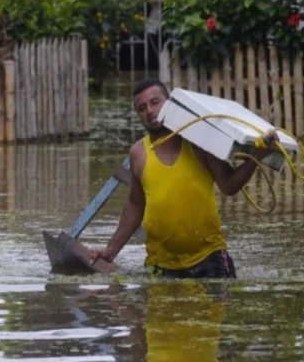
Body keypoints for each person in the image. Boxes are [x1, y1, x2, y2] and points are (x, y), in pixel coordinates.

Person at [91, 78, 280, 279]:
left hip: (209, 259)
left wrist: (256, 157)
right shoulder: (138, 153)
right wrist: (111, 250)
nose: (150, 111)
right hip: (160, 264)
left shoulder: (199, 142)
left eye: (155, 102)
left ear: (170, 103)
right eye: (142, 108)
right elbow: (135, 205)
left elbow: (228, 185)